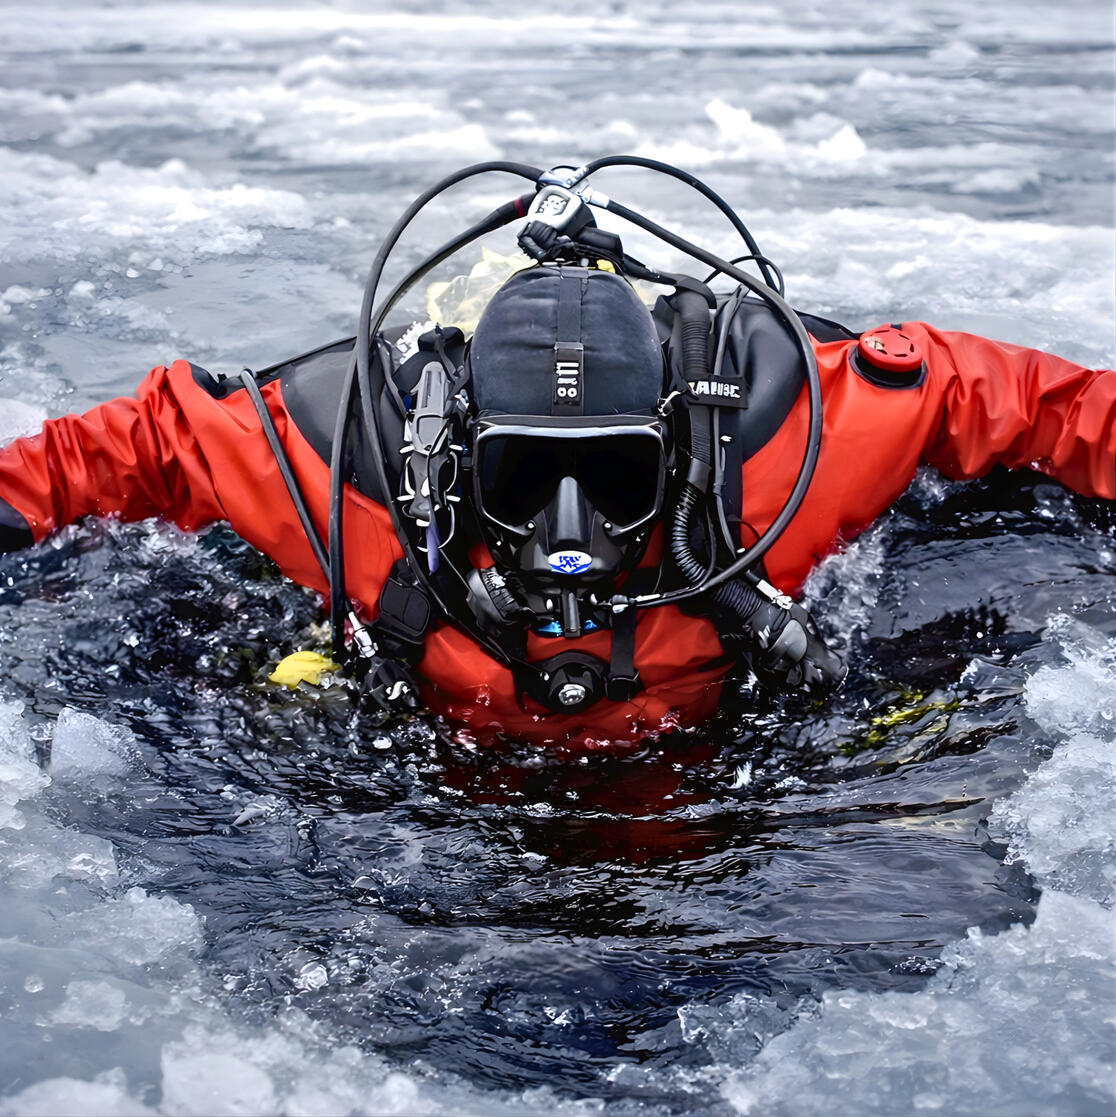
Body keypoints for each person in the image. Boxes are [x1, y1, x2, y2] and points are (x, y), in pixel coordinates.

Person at [0, 158, 1112, 752]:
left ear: (674, 443)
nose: (568, 525)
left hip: (720, 802)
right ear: (460, 448)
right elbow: (147, 440)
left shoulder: (779, 452)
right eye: (525, 475)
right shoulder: (351, 471)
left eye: (613, 474)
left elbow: (1007, 394)